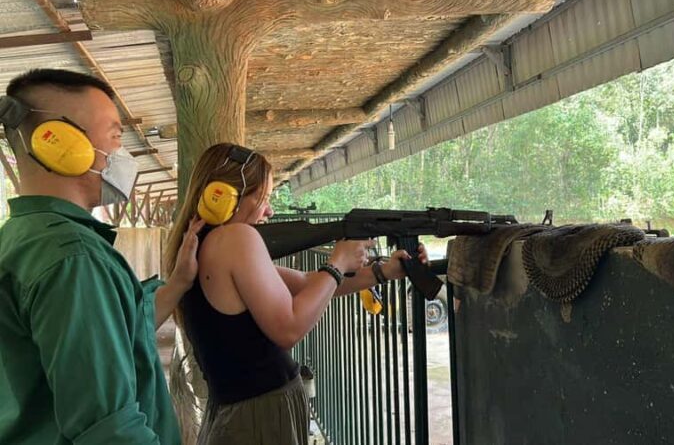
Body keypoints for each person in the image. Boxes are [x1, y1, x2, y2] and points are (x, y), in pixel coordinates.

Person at [164, 142, 427, 445]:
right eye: (262, 198)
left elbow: (304, 283)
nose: (269, 210)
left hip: (240, 413)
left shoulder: (206, 242)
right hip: (259, 417)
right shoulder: (235, 237)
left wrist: (382, 272)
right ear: (225, 196)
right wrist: (337, 263)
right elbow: (288, 328)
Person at [0, 69, 203, 444]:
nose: (121, 153)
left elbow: (124, 329)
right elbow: (111, 431)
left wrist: (178, 282)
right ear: (60, 143)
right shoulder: (73, 259)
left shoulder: (22, 238)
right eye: (114, 135)